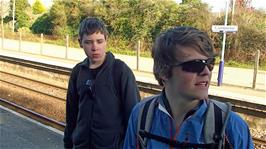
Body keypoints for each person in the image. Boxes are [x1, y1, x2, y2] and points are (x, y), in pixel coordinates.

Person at [123, 26, 254, 148]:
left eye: (209, 63)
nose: (206, 72)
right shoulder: (142, 115)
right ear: (164, 71)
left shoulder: (231, 126)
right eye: (195, 65)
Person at [63, 17, 140, 149]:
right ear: (80, 42)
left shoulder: (120, 71)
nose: (95, 47)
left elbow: (134, 116)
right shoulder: (77, 72)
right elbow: (71, 115)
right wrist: (68, 143)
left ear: (106, 40)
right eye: (88, 42)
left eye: (99, 41)